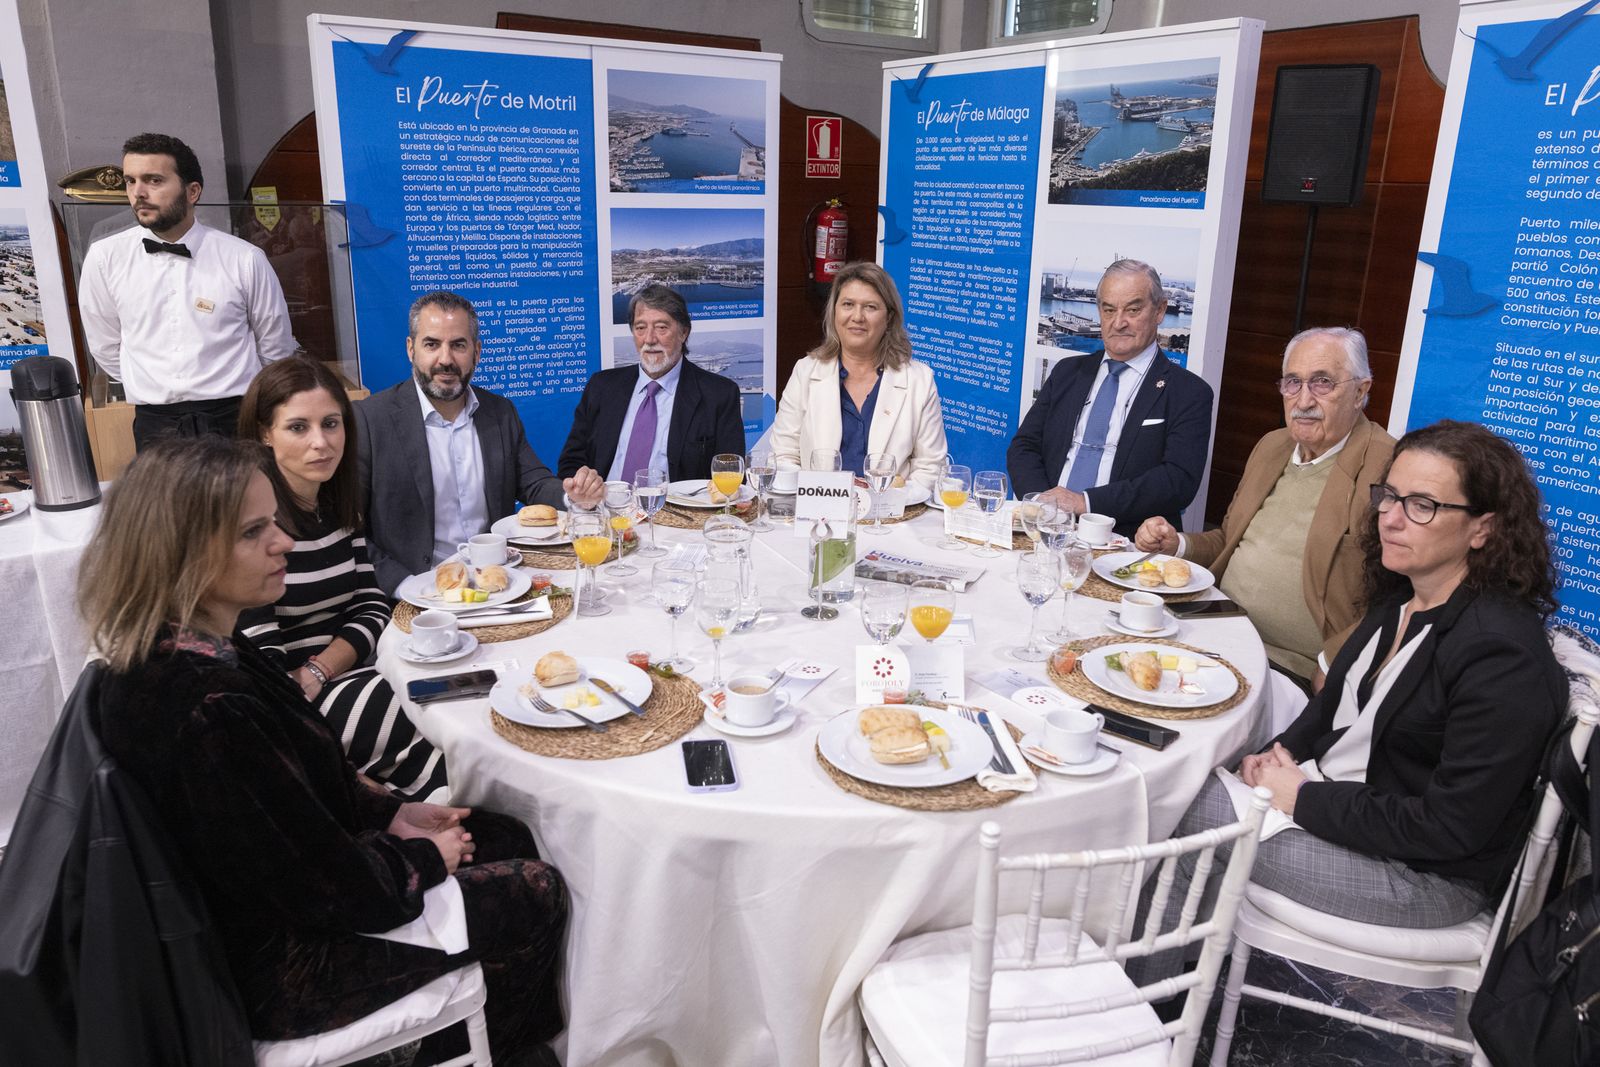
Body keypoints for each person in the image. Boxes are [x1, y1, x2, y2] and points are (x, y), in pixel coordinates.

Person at [79, 436, 567, 1064]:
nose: (284, 542)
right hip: (284, 968)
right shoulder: (204, 706)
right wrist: (419, 860)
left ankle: (469, 1032)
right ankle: (504, 1049)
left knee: (505, 833)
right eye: (255, 532)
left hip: (294, 901)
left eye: (275, 522)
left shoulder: (201, 644)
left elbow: (294, 794)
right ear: (184, 553)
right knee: (536, 890)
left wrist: (388, 812)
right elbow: (317, 886)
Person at [1133, 420, 1566, 984]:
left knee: (1180, 801)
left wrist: (1302, 798)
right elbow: (1328, 713)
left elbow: (1450, 829)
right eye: (1389, 495)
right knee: (1187, 778)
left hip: (1420, 877)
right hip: (1346, 812)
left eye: (1423, 505)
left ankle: (1142, 1002)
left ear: (1483, 528)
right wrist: (1276, 756)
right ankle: (1164, 981)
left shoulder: (1501, 655)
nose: (1389, 516)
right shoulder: (1404, 597)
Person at [1134, 327, 1395, 686]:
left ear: (1360, 392)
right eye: (1292, 383)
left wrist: (1334, 661)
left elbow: (1398, 595)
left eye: (1322, 383)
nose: (1303, 401)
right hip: (1213, 626)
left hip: (1291, 664)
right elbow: (1229, 539)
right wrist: (1176, 545)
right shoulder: (1272, 445)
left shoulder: (1388, 467)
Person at [237, 357, 448, 800]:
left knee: (465, 693)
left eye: (331, 424)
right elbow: (264, 666)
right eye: (298, 427)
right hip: (297, 703)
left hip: (344, 673)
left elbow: (372, 603)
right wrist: (318, 675)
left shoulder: (335, 504)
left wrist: (323, 665)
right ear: (264, 433)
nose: (321, 443)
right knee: (445, 735)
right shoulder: (252, 524)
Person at [356, 290, 605, 594]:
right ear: (411, 349)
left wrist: (574, 498)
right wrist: (404, 586)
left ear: (477, 351)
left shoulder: (499, 412)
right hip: (416, 589)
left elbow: (533, 482)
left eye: (458, 345)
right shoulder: (370, 420)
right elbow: (351, 531)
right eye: (432, 344)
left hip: (498, 582)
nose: (445, 359)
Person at [78, 133, 296, 450]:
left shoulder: (244, 259)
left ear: (192, 191)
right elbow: (105, 344)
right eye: (130, 180)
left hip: (235, 418)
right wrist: (151, 383)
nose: (138, 193)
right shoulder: (104, 258)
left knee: (245, 500)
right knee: (164, 502)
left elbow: (275, 346)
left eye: (154, 180)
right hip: (154, 425)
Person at [1006, 259, 1213, 536]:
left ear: (1160, 310)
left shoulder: (1188, 392)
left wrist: (1084, 503)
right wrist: (1045, 506)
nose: (1119, 322)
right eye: (1109, 309)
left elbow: (1177, 481)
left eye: (1133, 309)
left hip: (1127, 540)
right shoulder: (1068, 373)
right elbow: (1024, 446)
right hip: (1047, 529)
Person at [769, 261, 948, 488]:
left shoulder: (919, 381)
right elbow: (783, 456)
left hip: (891, 516)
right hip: (820, 513)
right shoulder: (805, 372)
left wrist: (890, 503)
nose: (857, 316)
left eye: (870, 307)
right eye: (847, 304)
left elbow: (930, 468)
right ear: (834, 311)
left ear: (889, 318)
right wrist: (817, 494)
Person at [558, 284, 745, 482]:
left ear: (683, 333)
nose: (649, 339)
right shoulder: (602, 387)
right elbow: (571, 463)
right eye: (640, 328)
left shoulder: (718, 395)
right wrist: (582, 485)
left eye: (661, 327)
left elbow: (731, 475)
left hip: (676, 510)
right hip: (606, 507)